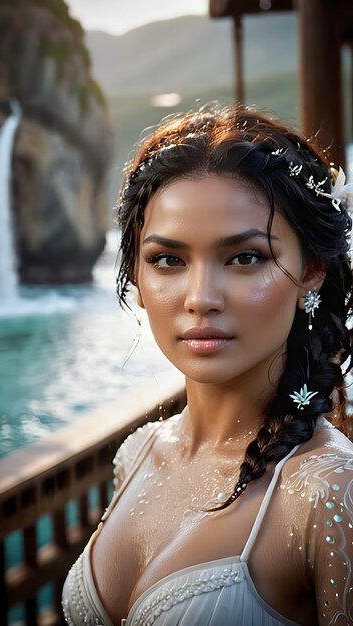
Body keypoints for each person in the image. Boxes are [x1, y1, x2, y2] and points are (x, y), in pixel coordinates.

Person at [62, 104, 353, 626]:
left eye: (245, 258)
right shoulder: (139, 453)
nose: (200, 298)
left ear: (311, 269)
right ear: (136, 276)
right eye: (168, 260)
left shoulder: (330, 493)